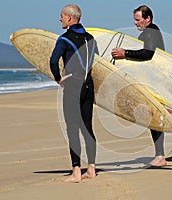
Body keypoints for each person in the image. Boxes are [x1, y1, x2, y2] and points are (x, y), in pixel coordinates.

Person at [111, 5, 167, 167]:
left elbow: (148, 54)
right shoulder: (150, 32)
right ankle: (159, 155)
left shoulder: (150, 32)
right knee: (152, 117)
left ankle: (160, 156)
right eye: (134, 20)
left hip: (156, 82)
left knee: (153, 117)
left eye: (138, 19)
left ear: (147, 19)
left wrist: (125, 53)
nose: (135, 23)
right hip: (154, 80)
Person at [50, 4, 99, 182]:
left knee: (72, 129)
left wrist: (58, 78)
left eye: (62, 16)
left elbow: (53, 61)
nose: (60, 19)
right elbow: (95, 60)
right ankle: (91, 169)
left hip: (72, 87)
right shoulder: (91, 38)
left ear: (70, 18)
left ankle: (76, 171)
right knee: (88, 128)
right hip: (88, 86)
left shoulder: (64, 39)